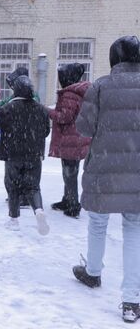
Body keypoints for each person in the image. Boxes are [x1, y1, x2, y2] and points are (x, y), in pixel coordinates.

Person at [72, 36, 140, 324]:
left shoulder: (100, 86)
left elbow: (85, 128)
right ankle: (132, 300)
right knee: (134, 230)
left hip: (104, 168)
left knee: (98, 223)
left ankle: (93, 272)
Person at [0, 75, 50, 235]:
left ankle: (14, 219)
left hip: (13, 154)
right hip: (34, 155)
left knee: (13, 186)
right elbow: (46, 131)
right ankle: (39, 210)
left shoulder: (7, 109)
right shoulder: (41, 109)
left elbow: (1, 127)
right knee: (33, 186)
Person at [48, 63, 91, 218]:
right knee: (70, 172)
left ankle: (73, 205)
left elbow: (64, 117)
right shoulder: (78, 92)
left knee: (69, 174)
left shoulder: (70, 94)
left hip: (71, 139)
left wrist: (48, 112)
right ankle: (68, 200)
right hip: (76, 138)